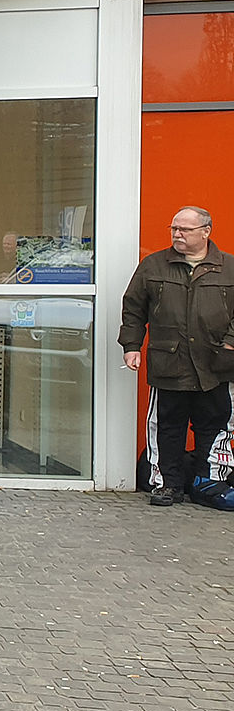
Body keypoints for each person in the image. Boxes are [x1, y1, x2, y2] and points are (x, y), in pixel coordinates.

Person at [120, 206, 234, 506]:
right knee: (167, 428)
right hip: (170, 363)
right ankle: (166, 485)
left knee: (216, 424)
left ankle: (209, 482)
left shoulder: (229, 267)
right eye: (174, 229)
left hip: (216, 365)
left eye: (185, 229)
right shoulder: (154, 265)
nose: (177, 234)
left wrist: (231, 345)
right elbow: (133, 308)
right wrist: (131, 346)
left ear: (206, 231)